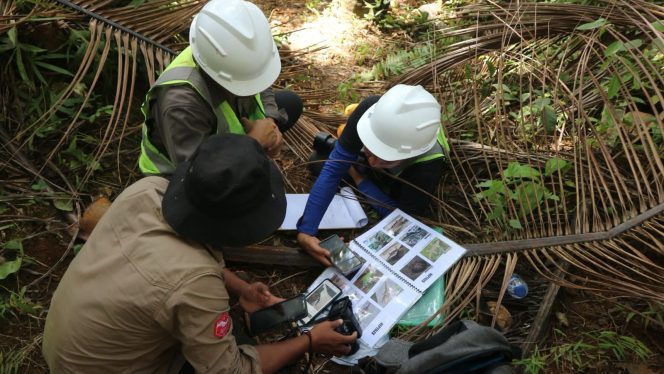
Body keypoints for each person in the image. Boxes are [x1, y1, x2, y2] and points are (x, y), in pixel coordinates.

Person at [43, 134, 357, 373]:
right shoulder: (196, 283)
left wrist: (242, 289)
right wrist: (310, 341)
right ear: (243, 227)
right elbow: (231, 370)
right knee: (265, 357)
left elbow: (177, 258)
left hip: (66, 349)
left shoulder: (147, 190)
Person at [139, 0, 303, 176]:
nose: (252, 86)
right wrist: (253, 143)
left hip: (230, 138)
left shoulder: (224, 53)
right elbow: (200, 175)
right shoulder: (181, 104)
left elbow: (259, 79)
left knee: (290, 103)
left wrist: (271, 121)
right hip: (180, 179)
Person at [297, 84, 450, 265]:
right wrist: (306, 231)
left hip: (401, 182)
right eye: (370, 151)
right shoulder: (371, 112)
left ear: (409, 153)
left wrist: (358, 179)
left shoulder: (427, 167)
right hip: (381, 172)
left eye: (385, 158)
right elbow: (333, 169)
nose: (373, 162)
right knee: (318, 161)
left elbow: (399, 219)